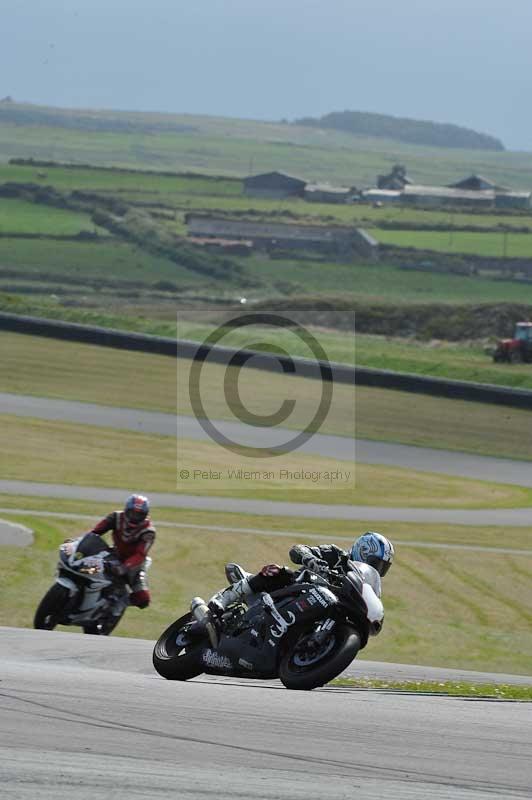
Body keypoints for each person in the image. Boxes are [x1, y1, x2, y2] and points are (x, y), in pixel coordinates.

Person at [207, 531, 394, 617]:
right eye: (377, 563)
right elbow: (297, 549)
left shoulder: (366, 584)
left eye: (383, 566)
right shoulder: (336, 555)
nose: (378, 569)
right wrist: (311, 559)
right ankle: (223, 598)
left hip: (322, 611)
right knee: (278, 572)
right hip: (294, 591)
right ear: (363, 550)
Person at [90, 494, 156, 609]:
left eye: (139, 515)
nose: (134, 517)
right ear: (126, 510)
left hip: (134, 566)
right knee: (88, 568)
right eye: (132, 513)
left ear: (145, 515)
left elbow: (140, 554)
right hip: (115, 554)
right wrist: (79, 542)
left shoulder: (148, 531)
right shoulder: (115, 517)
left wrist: (125, 567)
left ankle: (118, 605)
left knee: (143, 599)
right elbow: (95, 532)